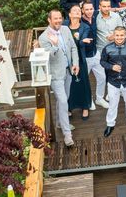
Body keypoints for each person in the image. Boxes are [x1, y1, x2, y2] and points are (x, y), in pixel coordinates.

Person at [38, 10, 79, 147]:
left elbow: (73, 47)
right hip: (56, 75)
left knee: (64, 99)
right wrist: (54, 45)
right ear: (49, 20)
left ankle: (59, 123)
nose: (58, 21)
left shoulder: (66, 29)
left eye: (60, 18)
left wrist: (75, 63)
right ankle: (68, 135)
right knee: (62, 101)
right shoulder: (43, 38)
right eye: (55, 18)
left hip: (69, 71)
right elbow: (49, 57)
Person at [101, 26, 126, 137]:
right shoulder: (107, 48)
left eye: (121, 35)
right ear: (114, 35)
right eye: (117, 35)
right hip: (113, 82)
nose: (119, 37)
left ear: (125, 35)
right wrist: (111, 67)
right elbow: (102, 62)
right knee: (112, 104)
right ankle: (110, 124)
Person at [65, 5, 93, 120]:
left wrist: (81, 41)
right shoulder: (64, 25)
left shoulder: (85, 27)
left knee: (83, 83)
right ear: (70, 15)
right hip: (67, 60)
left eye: (78, 10)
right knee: (69, 85)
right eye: (74, 10)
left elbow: (82, 43)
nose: (77, 12)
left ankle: (85, 107)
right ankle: (69, 107)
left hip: (80, 59)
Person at [95, 0, 123, 106]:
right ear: (99, 7)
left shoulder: (116, 16)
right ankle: (103, 94)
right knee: (103, 73)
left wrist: (114, 36)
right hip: (101, 49)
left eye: (108, 6)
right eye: (104, 6)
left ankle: (112, 92)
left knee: (115, 70)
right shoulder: (95, 17)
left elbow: (121, 30)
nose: (107, 9)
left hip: (114, 48)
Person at [81, 2, 108, 110]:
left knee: (102, 77)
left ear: (94, 9)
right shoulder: (79, 20)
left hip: (95, 53)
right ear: (82, 10)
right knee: (85, 81)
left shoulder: (96, 15)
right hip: (84, 57)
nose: (89, 11)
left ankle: (99, 98)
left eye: (91, 9)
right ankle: (88, 100)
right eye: (86, 9)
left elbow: (110, 9)